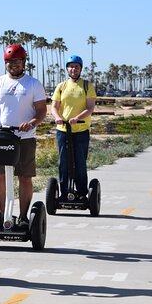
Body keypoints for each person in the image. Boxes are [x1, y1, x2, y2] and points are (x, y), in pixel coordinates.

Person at [0, 44, 47, 228]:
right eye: (9, 62)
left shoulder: (33, 84)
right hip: (2, 137)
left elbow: (42, 111)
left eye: (17, 61)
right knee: (1, 177)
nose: (13, 65)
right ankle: (2, 216)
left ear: (23, 62)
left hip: (25, 138)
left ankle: (24, 217)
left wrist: (32, 123)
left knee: (24, 177)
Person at [51, 54, 97, 201]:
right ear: (67, 69)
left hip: (81, 130)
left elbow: (90, 107)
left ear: (80, 69)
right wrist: (57, 117)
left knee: (80, 162)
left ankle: (82, 193)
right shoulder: (62, 86)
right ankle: (65, 192)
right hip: (63, 131)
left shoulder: (86, 85)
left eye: (76, 67)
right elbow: (54, 106)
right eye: (71, 67)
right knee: (63, 162)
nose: (73, 69)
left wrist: (77, 118)